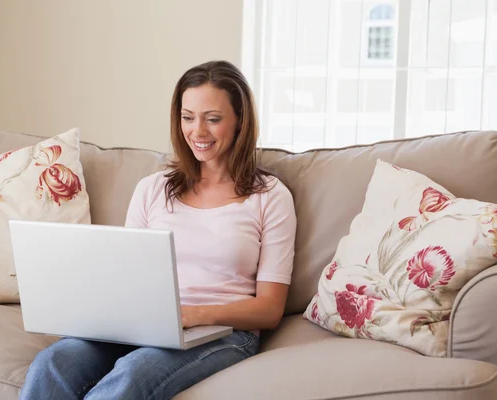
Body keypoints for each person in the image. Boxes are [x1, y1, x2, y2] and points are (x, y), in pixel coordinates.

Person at [19, 60, 297, 400]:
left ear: (240, 121)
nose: (198, 131)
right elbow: (127, 277)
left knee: (134, 373)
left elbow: (269, 310)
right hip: (145, 326)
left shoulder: (270, 196)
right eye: (188, 117)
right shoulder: (153, 188)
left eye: (213, 118)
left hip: (225, 333)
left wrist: (194, 315)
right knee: (53, 362)